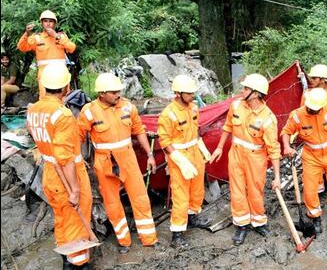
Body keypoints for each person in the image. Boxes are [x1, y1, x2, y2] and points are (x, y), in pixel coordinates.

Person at [77, 73, 159, 253]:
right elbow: (78, 137)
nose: (118, 95)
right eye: (113, 92)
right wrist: (80, 159)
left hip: (128, 159)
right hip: (104, 162)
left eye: (119, 91)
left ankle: (149, 238)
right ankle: (124, 241)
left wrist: (150, 154)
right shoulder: (89, 111)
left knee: (140, 198)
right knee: (112, 203)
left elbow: (139, 131)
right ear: (102, 94)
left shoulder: (128, 107)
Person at [27, 64, 92, 269]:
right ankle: (78, 263)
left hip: (50, 171)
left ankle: (66, 257)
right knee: (75, 218)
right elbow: (66, 158)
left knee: (62, 217)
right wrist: (74, 189)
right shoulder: (62, 115)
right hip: (66, 174)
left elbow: (33, 132)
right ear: (66, 87)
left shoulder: (34, 109)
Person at [209, 73, 281, 246]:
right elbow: (227, 127)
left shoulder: (268, 118)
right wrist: (219, 147)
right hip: (236, 154)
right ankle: (242, 224)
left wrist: (277, 177)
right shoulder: (236, 106)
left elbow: (274, 149)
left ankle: (258, 222)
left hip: (256, 158)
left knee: (256, 191)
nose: (242, 90)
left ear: (255, 94)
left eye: (246, 88)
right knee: (237, 190)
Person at [281, 88, 327, 234]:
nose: (312, 110)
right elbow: (286, 132)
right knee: (310, 190)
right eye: (310, 108)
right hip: (312, 156)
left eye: (316, 109)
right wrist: (286, 147)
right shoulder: (297, 116)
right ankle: (315, 217)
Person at [157, 75, 212, 248]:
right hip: (179, 156)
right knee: (181, 196)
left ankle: (192, 216)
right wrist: (179, 160)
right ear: (178, 93)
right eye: (189, 93)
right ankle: (177, 234)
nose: (193, 96)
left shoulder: (193, 108)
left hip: (195, 152)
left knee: (197, 190)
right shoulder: (168, 114)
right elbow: (165, 142)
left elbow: (195, 131)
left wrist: (202, 148)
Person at [300, 64, 327, 195]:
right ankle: (317, 196)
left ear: (323, 79)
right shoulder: (307, 94)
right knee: (314, 178)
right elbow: (302, 115)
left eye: (314, 78)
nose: (311, 80)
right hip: (313, 141)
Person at [17, 10, 76, 99]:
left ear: (55, 24)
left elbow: (72, 48)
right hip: (44, 76)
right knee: (45, 99)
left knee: (63, 100)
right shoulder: (37, 37)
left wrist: (56, 36)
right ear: (42, 23)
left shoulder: (61, 36)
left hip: (61, 74)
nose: (48, 24)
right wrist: (26, 33)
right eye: (45, 21)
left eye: (51, 21)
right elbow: (22, 47)